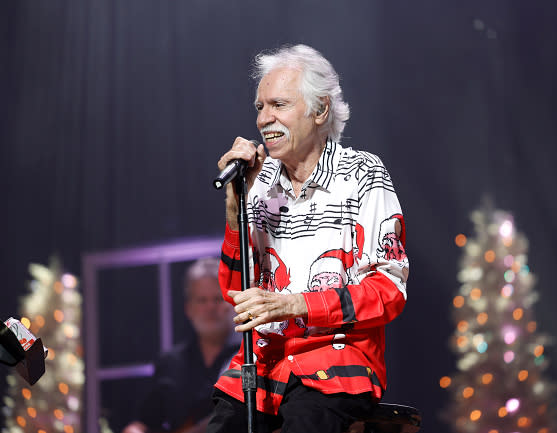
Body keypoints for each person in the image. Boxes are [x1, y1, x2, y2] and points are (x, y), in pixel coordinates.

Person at [208, 44, 410, 433]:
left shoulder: (363, 175)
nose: (265, 119)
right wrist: (235, 211)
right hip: (263, 368)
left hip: (334, 366)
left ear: (320, 110)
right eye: (259, 107)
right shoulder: (259, 183)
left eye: (278, 105)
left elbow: (389, 291)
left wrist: (296, 304)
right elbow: (237, 293)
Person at [122, 257, 240, 433]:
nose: (210, 307)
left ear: (232, 304)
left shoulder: (251, 357)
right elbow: (144, 421)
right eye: (202, 300)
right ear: (188, 308)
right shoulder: (170, 363)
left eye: (217, 298)